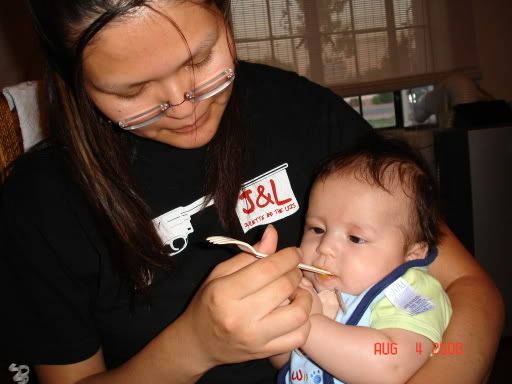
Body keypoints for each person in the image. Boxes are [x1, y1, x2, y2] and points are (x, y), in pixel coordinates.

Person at [0, 1, 503, 383]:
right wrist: (193, 347)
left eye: (201, 57)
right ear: (71, 79)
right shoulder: (38, 205)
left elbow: (469, 287)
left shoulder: (296, 110)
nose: (182, 103)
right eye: (132, 91)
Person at [272, 136, 453, 384]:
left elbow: (390, 366)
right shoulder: (313, 287)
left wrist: (310, 324)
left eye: (355, 238)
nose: (325, 248)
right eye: (317, 229)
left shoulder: (411, 293)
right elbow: (289, 363)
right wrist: (283, 320)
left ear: (412, 254)